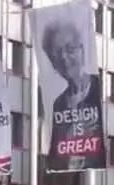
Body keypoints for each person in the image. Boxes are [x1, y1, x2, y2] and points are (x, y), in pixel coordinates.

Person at [39, 18, 104, 171]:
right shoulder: (59, 104)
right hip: (70, 181)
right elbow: (56, 157)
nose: (64, 57)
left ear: (82, 50)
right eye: (56, 53)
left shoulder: (100, 91)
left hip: (97, 181)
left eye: (69, 49)